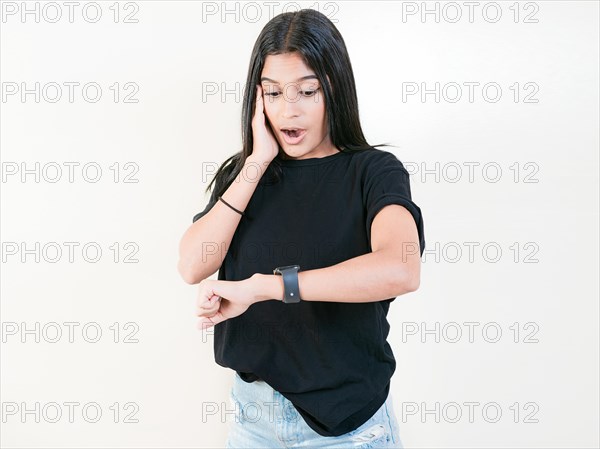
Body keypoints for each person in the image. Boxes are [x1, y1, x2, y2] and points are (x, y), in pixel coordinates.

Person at [178, 9, 425, 449]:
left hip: (346, 428)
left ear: (335, 88)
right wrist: (255, 162)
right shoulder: (245, 173)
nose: (288, 109)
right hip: (252, 420)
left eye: (306, 91)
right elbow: (192, 265)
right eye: (273, 93)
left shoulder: (373, 172)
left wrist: (266, 287)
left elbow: (400, 269)